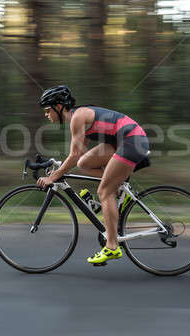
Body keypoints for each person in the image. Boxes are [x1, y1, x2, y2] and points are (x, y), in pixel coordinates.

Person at [36, 85, 150, 265]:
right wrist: (58, 170)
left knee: (104, 191)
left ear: (59, 107)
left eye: (48, 109)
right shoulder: (79, 117)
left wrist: (54, 176)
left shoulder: (78, 117)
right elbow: (78, 156)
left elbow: (73, 154)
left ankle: (112, 247)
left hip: (131, 139)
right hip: (123, 140)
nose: (46, 114)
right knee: (85, 164)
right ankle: (120, 191)